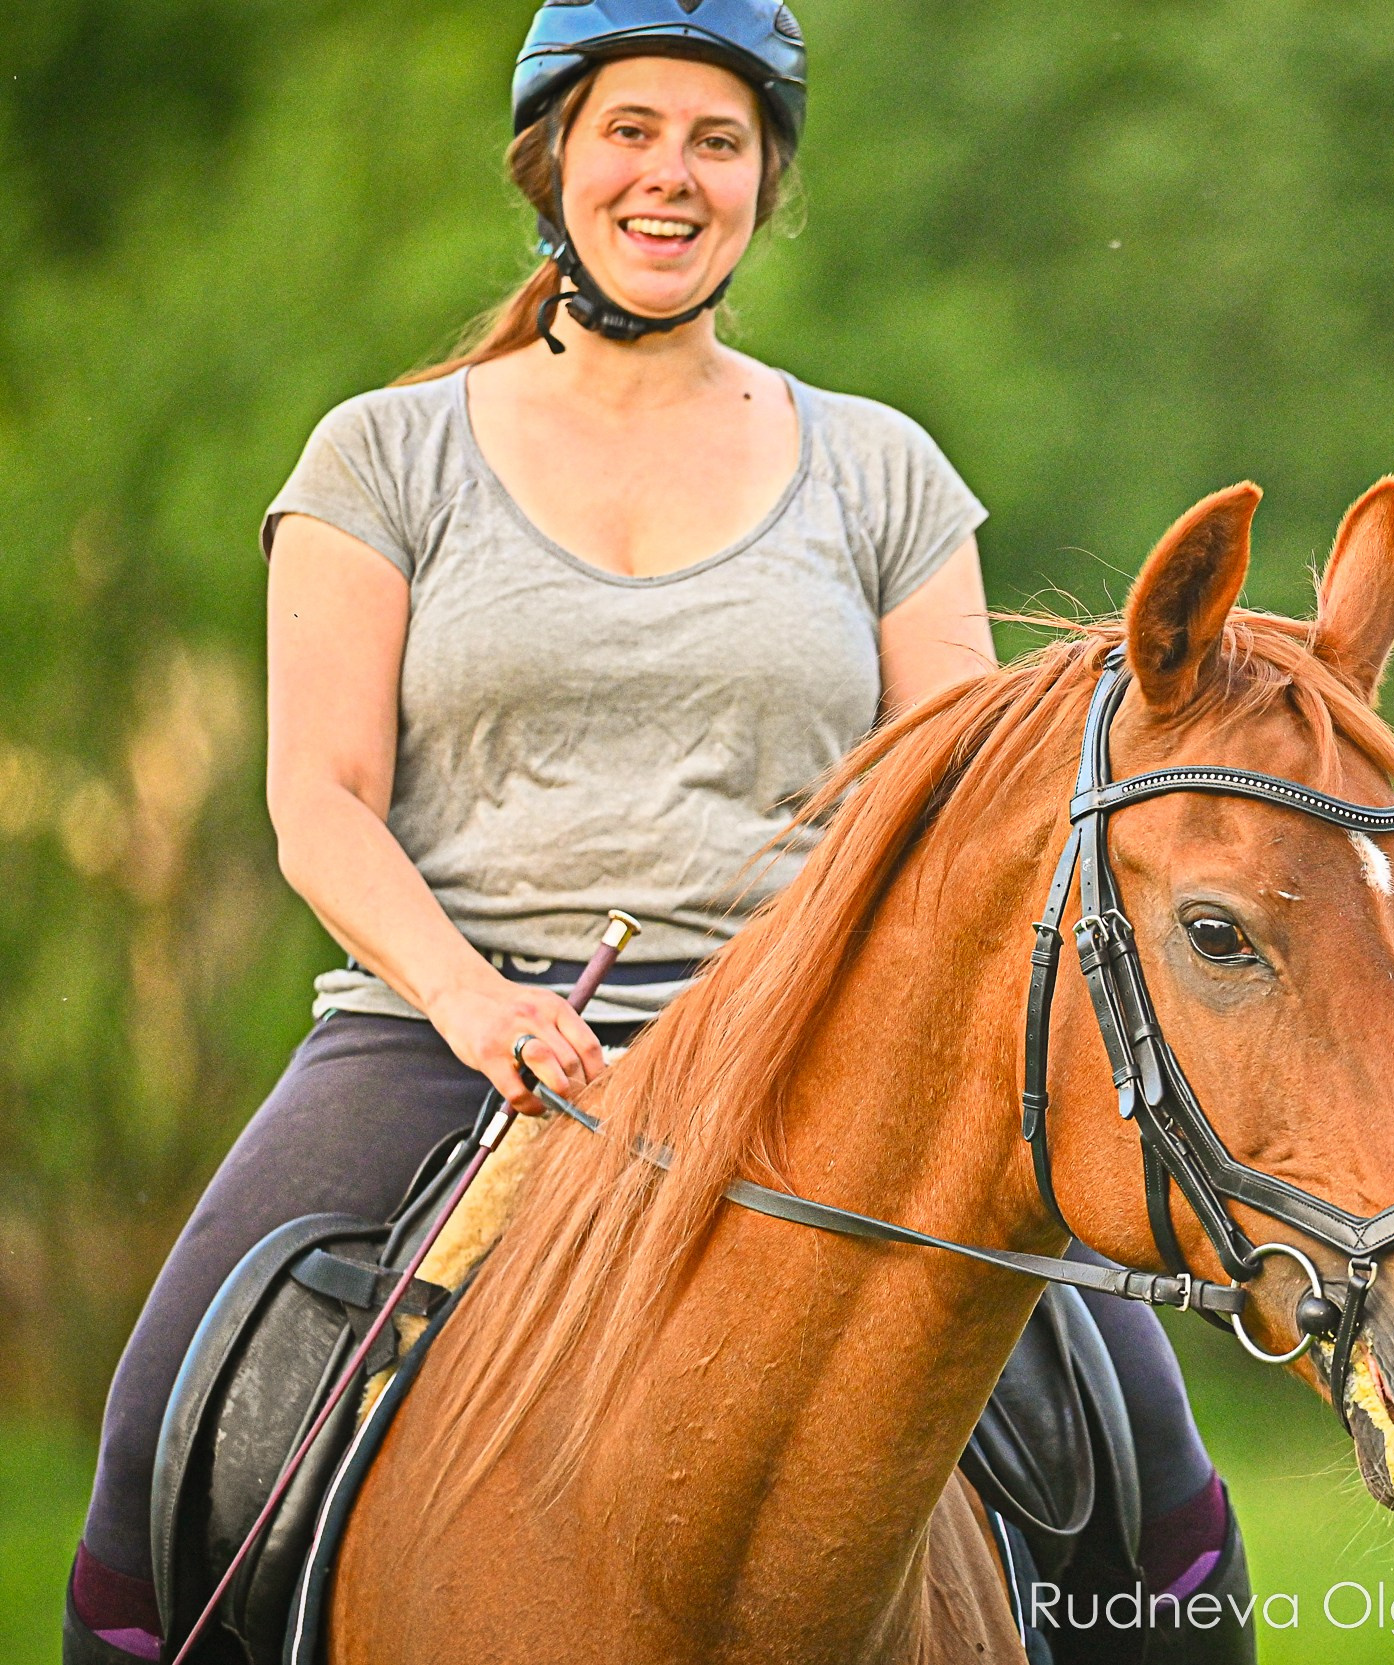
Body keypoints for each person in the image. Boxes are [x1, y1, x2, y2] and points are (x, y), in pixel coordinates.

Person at [62, 5, 1248, 1660]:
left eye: (717, 140)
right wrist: (475, 1002)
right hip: (442, 1036)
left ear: (767, 180)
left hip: (804, 1052)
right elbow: (316, 801)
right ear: (554, 159)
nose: (671, 175)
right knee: (162, 1435)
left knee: (1158, 1481)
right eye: (632, 131)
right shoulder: (382, 454)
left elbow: (963, 818)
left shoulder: (883, 469)